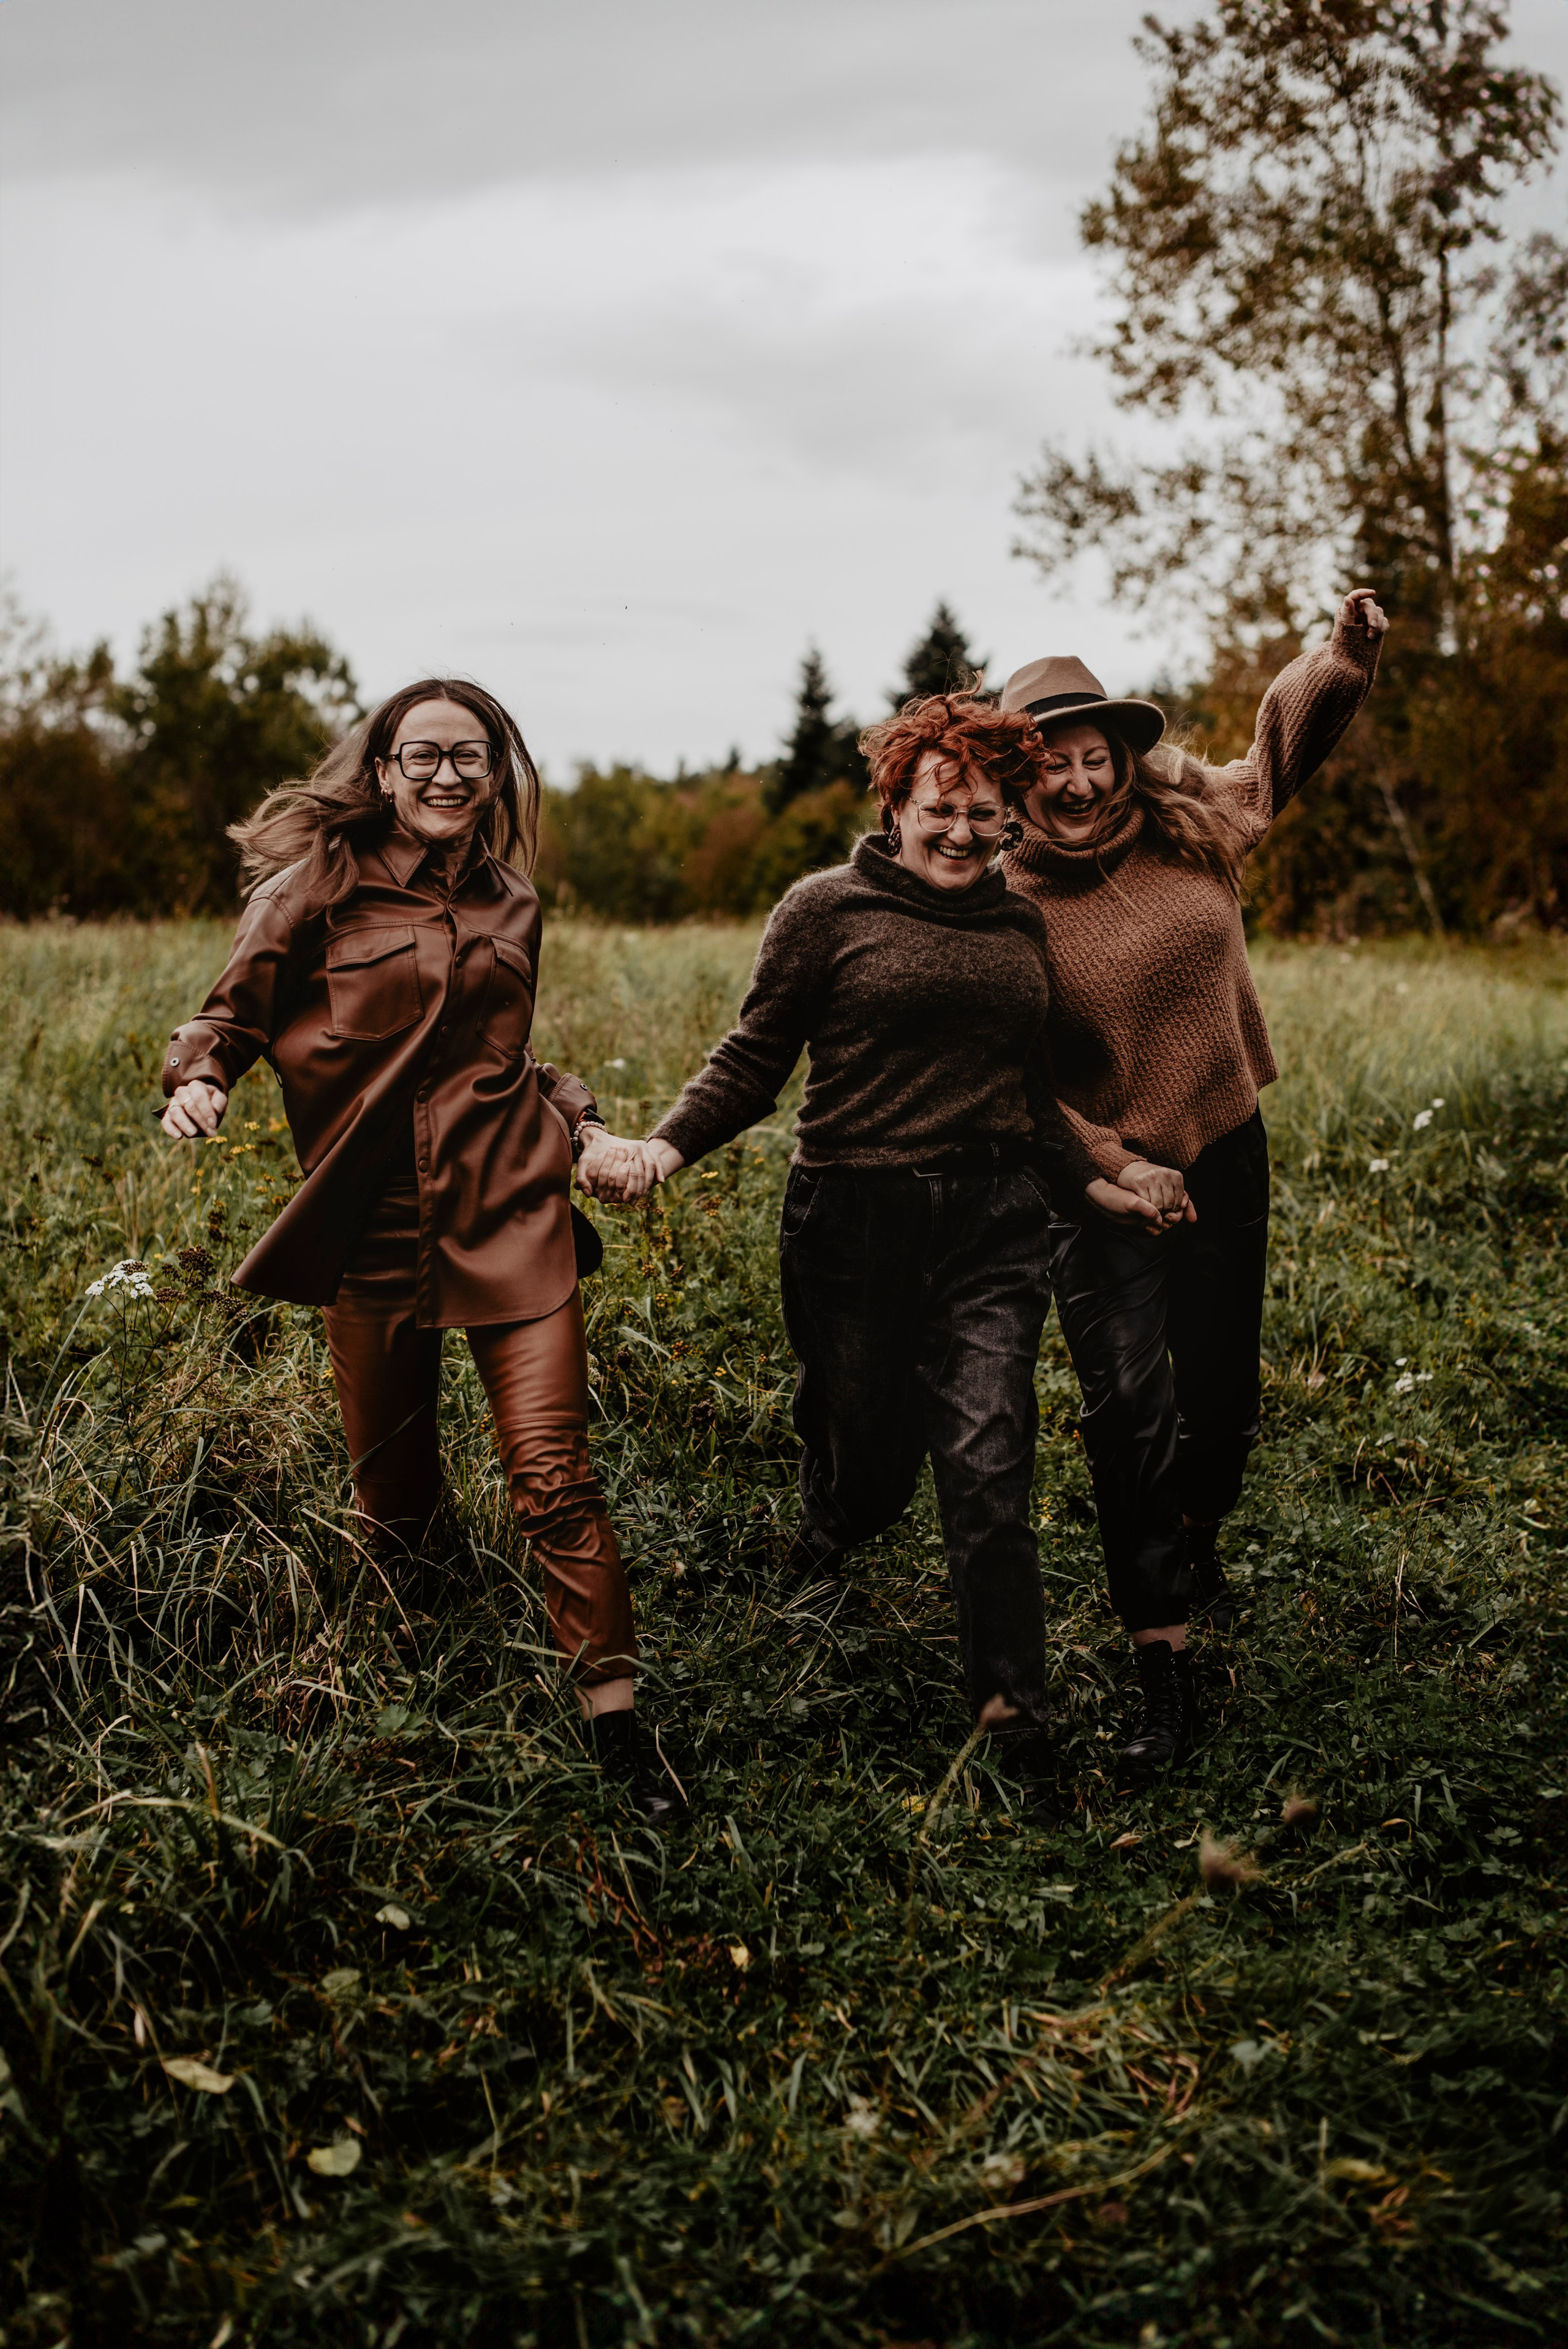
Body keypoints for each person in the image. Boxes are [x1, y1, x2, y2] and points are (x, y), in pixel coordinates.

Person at [580, 693, 1164, 1817]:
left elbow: (1033, 1100)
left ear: (1010, 824)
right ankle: (831, 1520)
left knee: (991, 1468)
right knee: (871, 1465)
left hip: (993, 1225)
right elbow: (753, 1058)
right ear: (895, 802)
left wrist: (1101, 1183)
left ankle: (1016, 1729)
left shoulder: (1019, 927)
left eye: (987, 814)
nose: (962, 831)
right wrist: (663, 1146)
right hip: (852, 1221)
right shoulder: (823, 910)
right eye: (941, 807)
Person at [158, 677, 679, 1824]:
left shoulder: (512, 902)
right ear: (384, 769)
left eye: (472, 756)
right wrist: (198, 1079)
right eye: (423, 754)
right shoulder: (316, 888)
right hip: (372, 1222)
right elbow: (230, 1014)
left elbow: (508, 1059)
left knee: (554, 1475)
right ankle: (413, 1694)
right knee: (395, 1502)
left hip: (511, 1210)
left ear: (497, 772)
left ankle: (621, 1730)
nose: (448, 775)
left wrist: (585, 1128)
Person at [998, 588, 1389, 1783]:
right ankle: (1159, 1666)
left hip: (1224, 1145)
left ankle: (1194, 1528)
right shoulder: (997, 899)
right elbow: (1002, 1076)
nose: (1074, 782)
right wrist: (1108, 1172)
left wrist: (1336, 658)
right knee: (1125, 1412)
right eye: (1047, 764)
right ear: (1014, 776)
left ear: (1122, 754)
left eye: (1091, 756)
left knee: (1216, 1406)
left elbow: (1276, 747)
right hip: (1097, 1183)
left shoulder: (1186, 820)